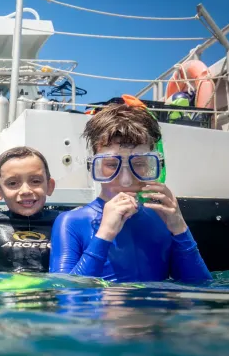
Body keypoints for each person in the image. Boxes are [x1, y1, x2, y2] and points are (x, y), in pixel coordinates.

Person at [49, 103, 211, 283]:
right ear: (93, 167)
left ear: (155, 165)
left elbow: (199, 285)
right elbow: (66, 294)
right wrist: (104, 234)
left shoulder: (162, 219)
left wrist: (180, 228)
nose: (126, 180)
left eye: (140, 164)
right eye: (111, 165)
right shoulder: (71, 223)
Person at [0, 146, 58, 273]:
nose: (25, 191)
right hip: (4, 292)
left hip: (50, 292)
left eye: (35, 181)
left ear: (50, 186)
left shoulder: (64, 222)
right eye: (12, 183)